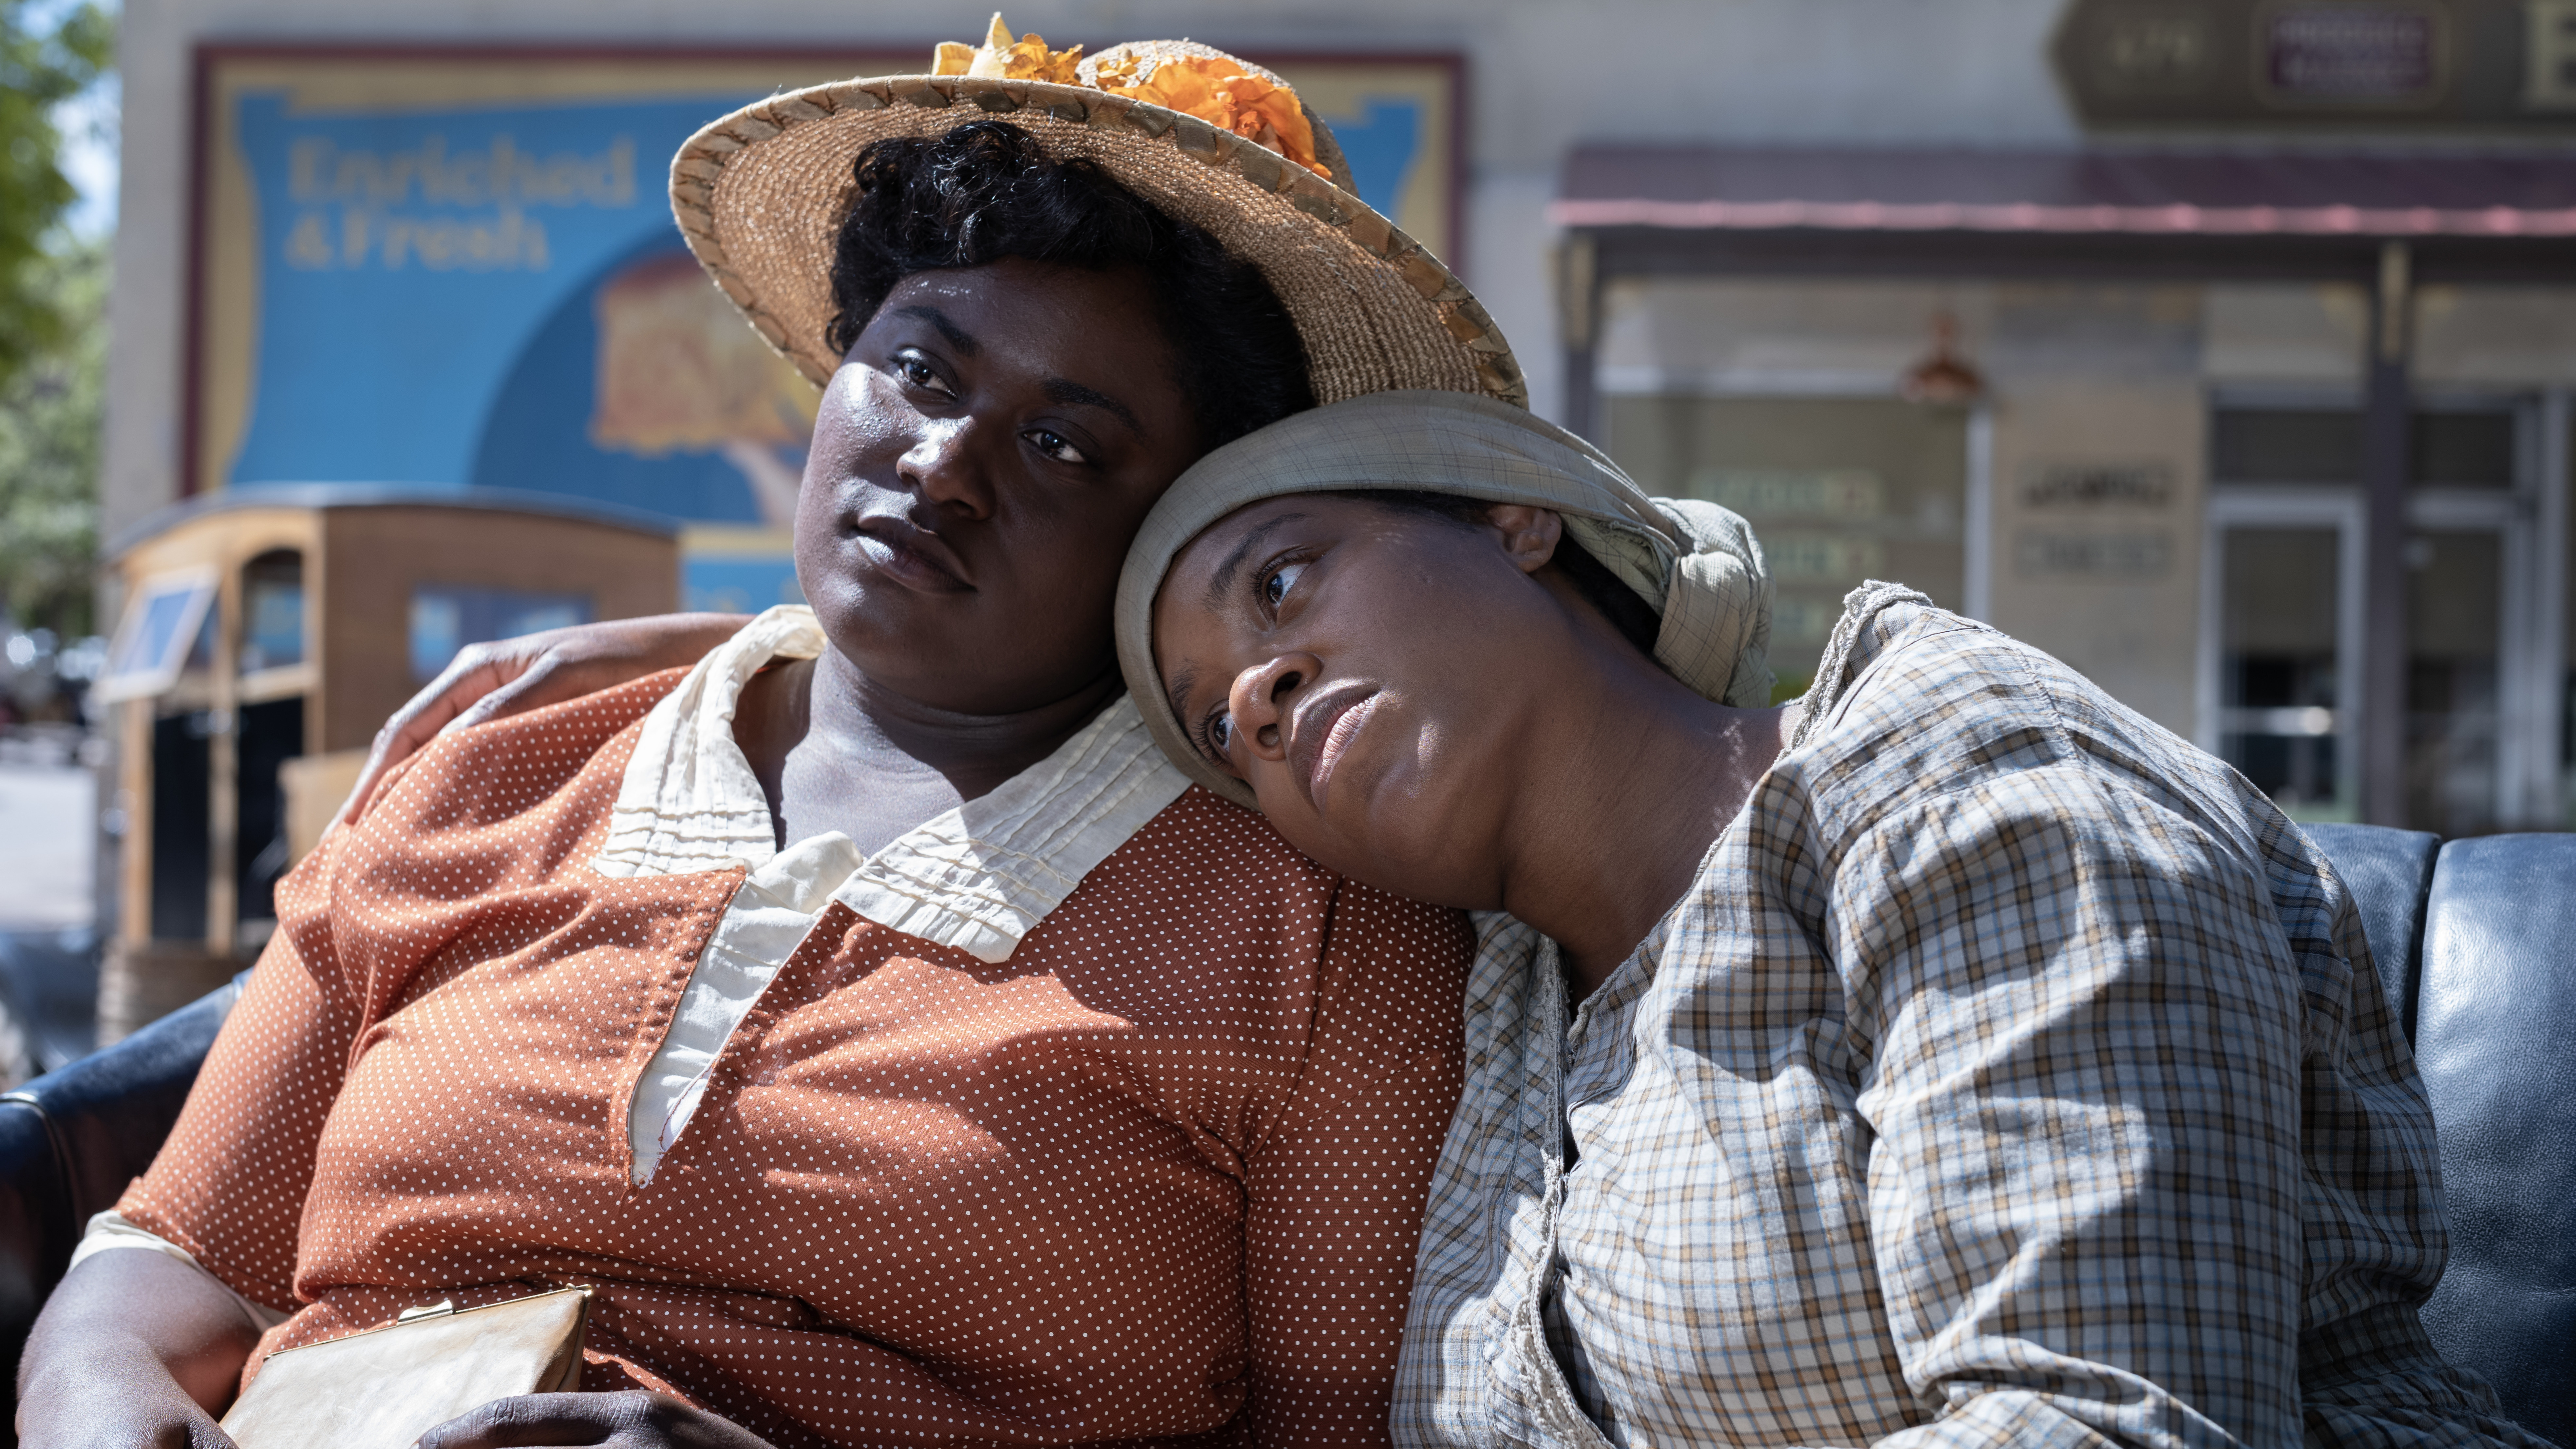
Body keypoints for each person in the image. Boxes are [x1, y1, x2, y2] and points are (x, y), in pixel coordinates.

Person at [19, 29, 1532, 1449]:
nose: (942, 465)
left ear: (1188, 524)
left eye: (1064, 443)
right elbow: (173, 1258)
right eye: (922, 371)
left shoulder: (1322, 933)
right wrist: (100, 1402)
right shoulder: (481, 773)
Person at [1114, 388, 2552, 1448]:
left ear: (1515, 517)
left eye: (1281, 580)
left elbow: (2107, 1418)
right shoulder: (1494, 1006)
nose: (1255, 693)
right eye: (1216, 725)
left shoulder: (1959, 774)